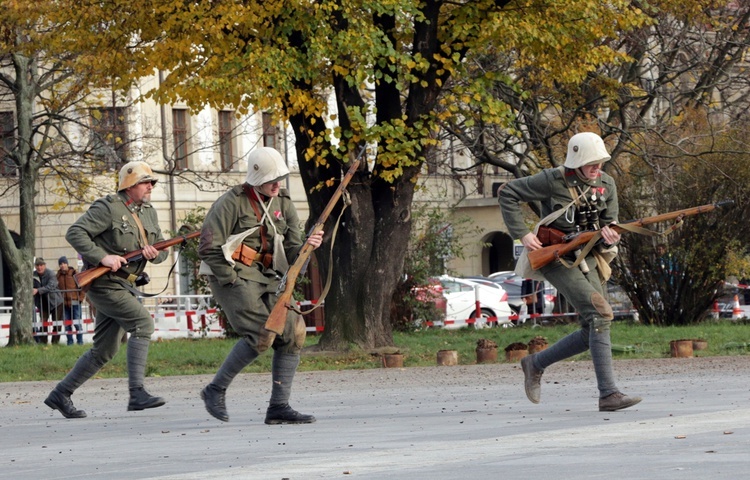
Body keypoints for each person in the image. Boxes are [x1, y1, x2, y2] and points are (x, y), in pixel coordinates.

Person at [499, 132, 642, 412]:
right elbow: (508, 193)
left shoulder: (607, 184)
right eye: (591, 162)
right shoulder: (553, 179)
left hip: (587, 256)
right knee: (600, 314)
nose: (596, 167)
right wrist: (523, 235)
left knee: (595, 324)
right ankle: (609, 394)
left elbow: (608, 224)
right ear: (576, 161)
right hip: (554, 257)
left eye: (599, 162)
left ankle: (535, 363)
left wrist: (611, 235)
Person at [198, 146, 324, 424]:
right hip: (232, 272)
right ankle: (214, 390)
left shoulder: (284, 203)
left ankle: (279, 407)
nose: (277, 184)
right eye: (271, 179)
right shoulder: (231, 202)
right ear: (256, 179)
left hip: (268, 275)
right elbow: (207, 247)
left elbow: (292, 252)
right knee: (261, 333)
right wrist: (230, 279)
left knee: (294, 332)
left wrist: (308, 246)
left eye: (280, 177)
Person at [44, 161, 168, 419]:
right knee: (143, 324)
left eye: (152, 183)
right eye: (146, 182)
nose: (151, 187)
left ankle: (61, 393)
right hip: (105, 284)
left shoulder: (149, 212)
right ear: (130, 185)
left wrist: (155, 254)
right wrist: (103, 257)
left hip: (126, 284)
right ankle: (137, 393)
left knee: (105, 350)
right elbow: (75, 232)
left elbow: (161, 250)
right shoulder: (108, 208)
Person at [33, 258, 64, 345]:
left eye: (41, 265)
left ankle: (55, 343)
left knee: (57, 323)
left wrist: (38, 290)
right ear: (35, 266)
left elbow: (51, 286)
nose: (39, 267)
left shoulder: (51, 273)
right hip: (42, 303)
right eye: (37, 265)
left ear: (45, 265)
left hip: (56, 302)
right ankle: (43, 343)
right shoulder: (33, 275)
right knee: (43, 323)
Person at [56, 256, 85, 346]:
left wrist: (80, 298)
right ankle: (70, 342)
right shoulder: (58, 276)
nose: (62, 265)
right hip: (64, 304)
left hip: (75, 302)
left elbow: (82, 286)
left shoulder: (74, 273)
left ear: (67, 264)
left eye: (64, 263)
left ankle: (80, 342)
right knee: (67, 324)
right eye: (60, 264)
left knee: (77, 323)